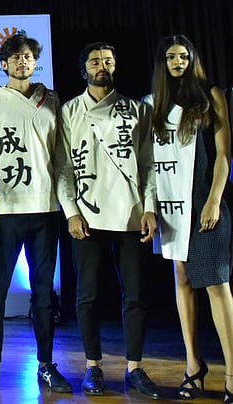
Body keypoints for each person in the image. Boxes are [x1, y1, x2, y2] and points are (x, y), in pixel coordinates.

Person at [56, 42, 161, 399]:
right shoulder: (70, 110)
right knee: (87, 295)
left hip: (131, 212)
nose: (102, 66)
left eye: (108, 61)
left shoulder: (137, 109)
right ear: (83, 70)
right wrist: (71, 211)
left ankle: (135, 367)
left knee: (135, 295)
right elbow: (63, 166)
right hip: (87, 214)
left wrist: (150, 207)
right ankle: (93, 366)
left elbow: (147, 163)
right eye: (95, 62)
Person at [0, 33, 72, 393]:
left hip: (45, 208)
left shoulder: (51, 100)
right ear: (4, 63)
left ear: (35, 61)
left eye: (28, 56)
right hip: (6, 209)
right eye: (15, 57)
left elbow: (60, 156)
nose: (22, 61)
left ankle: (46, 364)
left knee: (43, 293)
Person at [147, 34, 233, 403]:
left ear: (192, 58)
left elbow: (224, 154)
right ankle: (193, 366)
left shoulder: (210, 95)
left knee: (216, 283)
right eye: (171, 57)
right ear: (163, 63)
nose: (178, 62)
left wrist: (214, 200)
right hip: (172, 206)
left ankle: (232, 373)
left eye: (183, 56)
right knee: (182, 280)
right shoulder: (154, 103)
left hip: (204, 201)